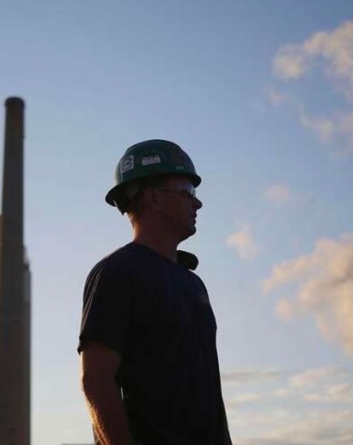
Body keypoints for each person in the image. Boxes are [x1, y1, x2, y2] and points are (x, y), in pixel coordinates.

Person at [78, 139, 232, 445]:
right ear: (154, 199)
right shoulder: (118, 274)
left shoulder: (193, 284)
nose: (197, 203)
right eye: (188, 192)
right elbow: (97, 379)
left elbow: (208, 391)